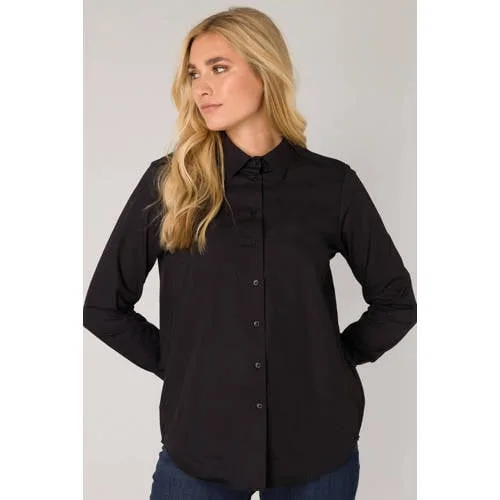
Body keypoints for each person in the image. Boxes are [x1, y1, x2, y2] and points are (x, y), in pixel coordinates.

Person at [83, 6, 417, 500]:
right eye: (194, 74)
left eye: (218, 68)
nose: (202, 88)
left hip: (317, 447)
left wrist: (332, 360)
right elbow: (103, 307)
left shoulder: (332, 185)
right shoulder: (170, 183)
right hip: (199, 449)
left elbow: (396, 302)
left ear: (264, 70)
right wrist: (183, 366)